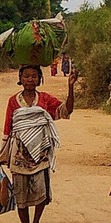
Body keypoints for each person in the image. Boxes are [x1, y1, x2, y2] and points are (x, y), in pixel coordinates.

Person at [0, 63, 78, 223]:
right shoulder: (13, 101)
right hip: (19, 155)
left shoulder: (45, 99)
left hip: (40, 155)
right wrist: (3, 154)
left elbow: (66, 110)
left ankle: (36, 221)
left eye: (34, 76)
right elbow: (8, 128)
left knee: (41, 193)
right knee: (20, 194)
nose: (30, 79)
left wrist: (70, 87)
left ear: (39, 79)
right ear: (20, 79)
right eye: (26, 76)